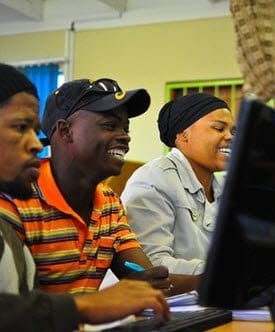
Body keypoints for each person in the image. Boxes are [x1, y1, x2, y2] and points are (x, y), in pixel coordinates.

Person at [0, 63, 170, 331]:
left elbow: (140, 275)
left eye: (125, 127)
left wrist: (146, 281)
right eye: (110, 125)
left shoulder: (109, 202)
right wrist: (87, 306)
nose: (125, 137)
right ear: (65, 131)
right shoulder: (13, 199)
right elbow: (18, 313)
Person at [121, 93, 235, 290]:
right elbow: (153, 266)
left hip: (209, 300)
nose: (230, 137)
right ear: (183, 134)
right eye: (219, 128)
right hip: (161, 308)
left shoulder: (224, 188)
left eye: (233, 131)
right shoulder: (152, 181)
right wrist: (227, 272)